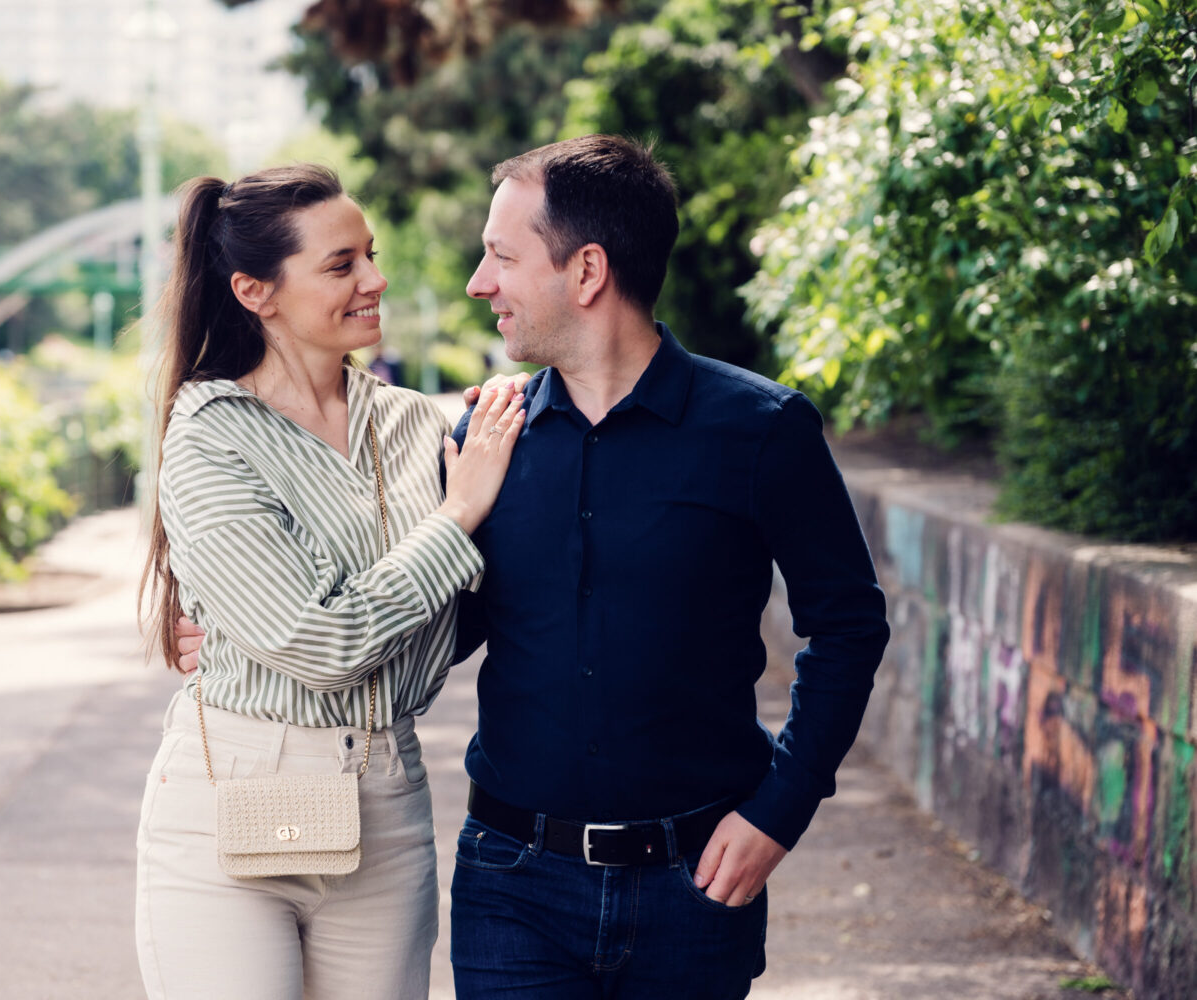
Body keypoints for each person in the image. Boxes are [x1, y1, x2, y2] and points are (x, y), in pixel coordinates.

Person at [177, 135, 890, 999]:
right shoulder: (481, 441)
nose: (479, 284)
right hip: (512, 884)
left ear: (586, 271)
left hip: (695, 881)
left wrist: (781, 809)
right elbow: (425, 622)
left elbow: (847, 625)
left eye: (500, 257)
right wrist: (242, 639)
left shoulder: (761, 430)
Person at [137, 163, 525, 1000]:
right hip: (230, 803)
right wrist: (455, 519)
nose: (375, 280)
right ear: (255, 290)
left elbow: (483, 605)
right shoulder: (210, 434)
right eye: (341, 264)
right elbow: (323, 642)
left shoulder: (426, 425)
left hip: (388, 802)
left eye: (371, 256)